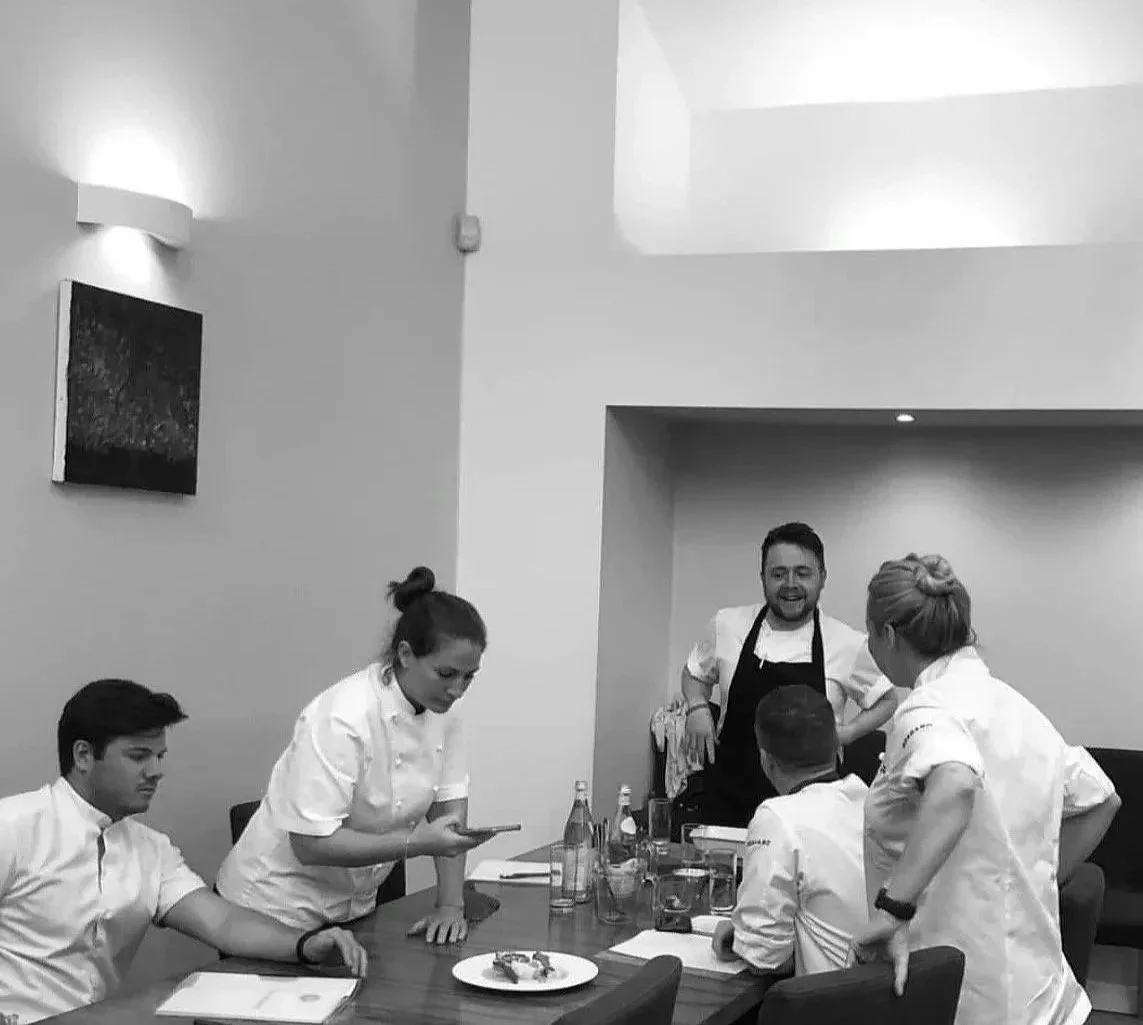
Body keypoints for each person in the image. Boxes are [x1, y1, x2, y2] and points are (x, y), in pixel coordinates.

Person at [0, 679, 367, 1025]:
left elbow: (223, 923)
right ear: (83, 755)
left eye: (160, 756)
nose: (157, 771)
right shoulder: (12, 827)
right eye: (139, 756)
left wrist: (304, 944)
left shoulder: (149, 848)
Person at [856, 554, 1121, 1025]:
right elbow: (1102, 797)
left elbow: (955, 782)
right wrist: (1032, 880)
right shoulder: (1013, 704)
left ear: (889, 635)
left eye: (869, 632)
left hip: (969, 996)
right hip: (1043, 995)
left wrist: (894, 909)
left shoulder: (925, 708)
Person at [217, 566, 496, 945]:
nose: (457, 689)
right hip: (273, 909)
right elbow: (311, 844)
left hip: (355, 910)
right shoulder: (342, 716)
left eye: (469, 676)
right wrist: (416, 842)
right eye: (446, 673)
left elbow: (449, 817)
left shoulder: (445, 714)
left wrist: (450, 906)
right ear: (405, 654)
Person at [682, 522, 897, 826]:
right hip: (728, 808)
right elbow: (694, 674)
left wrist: (847, 733)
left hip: (812, 820)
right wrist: (697, 707)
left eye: (803, 573)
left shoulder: (846, 643)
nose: (790, 584)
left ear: (822, 578)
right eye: (778, 573)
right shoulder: (728, 625)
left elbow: (887, 699)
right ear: (763, 578)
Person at [711, 685, 869, 976]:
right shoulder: (866, 800)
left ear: (765, 759)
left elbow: (764, 959)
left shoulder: (778, 819)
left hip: (830, 1003)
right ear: (836, 746)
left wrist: (739, 938)